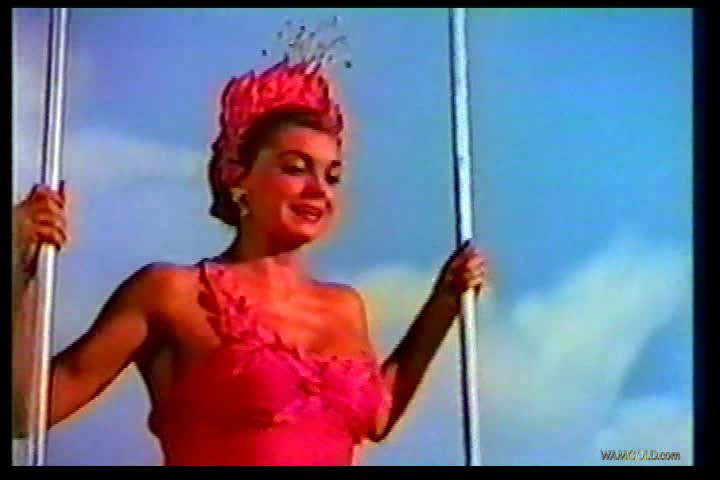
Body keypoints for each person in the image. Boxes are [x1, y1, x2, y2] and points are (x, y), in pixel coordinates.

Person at [12, 55, 487, 466]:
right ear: (238, 178)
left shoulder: (345, 307)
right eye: (295, 168)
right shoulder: (171, 293)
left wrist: (443, 303)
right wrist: (20, 262)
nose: (318, 190)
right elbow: (27, 410)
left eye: (332, 176)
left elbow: (378, 415)